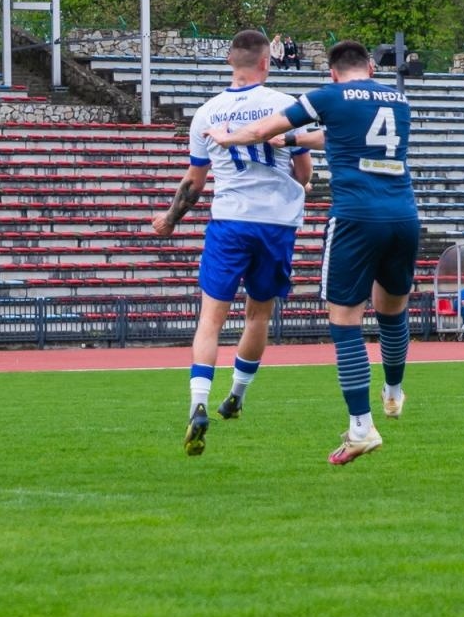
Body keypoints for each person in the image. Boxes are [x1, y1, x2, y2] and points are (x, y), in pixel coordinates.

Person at [208, 39, 417, 466]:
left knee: (345, 321)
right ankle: (394, 392)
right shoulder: (398, 100)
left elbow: (264, 128)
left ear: (333, 73)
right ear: (372, 69)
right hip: (404, 215)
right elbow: (341, 136)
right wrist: (294, 142)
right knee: (392, 309)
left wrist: (227, 138)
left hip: (356, 218)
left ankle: (361, 427)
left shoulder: (329, 95)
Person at [151, 29, 312, 457]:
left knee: (210, 318)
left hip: (230, 220)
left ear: (229, 61)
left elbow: (195, 181)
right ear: (266, 61)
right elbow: (304, 172)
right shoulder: (284, 104)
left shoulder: (207, 112)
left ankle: (198, 404)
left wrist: (169, 219)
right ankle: (236, 397)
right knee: (258, 316)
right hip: (277, 222)